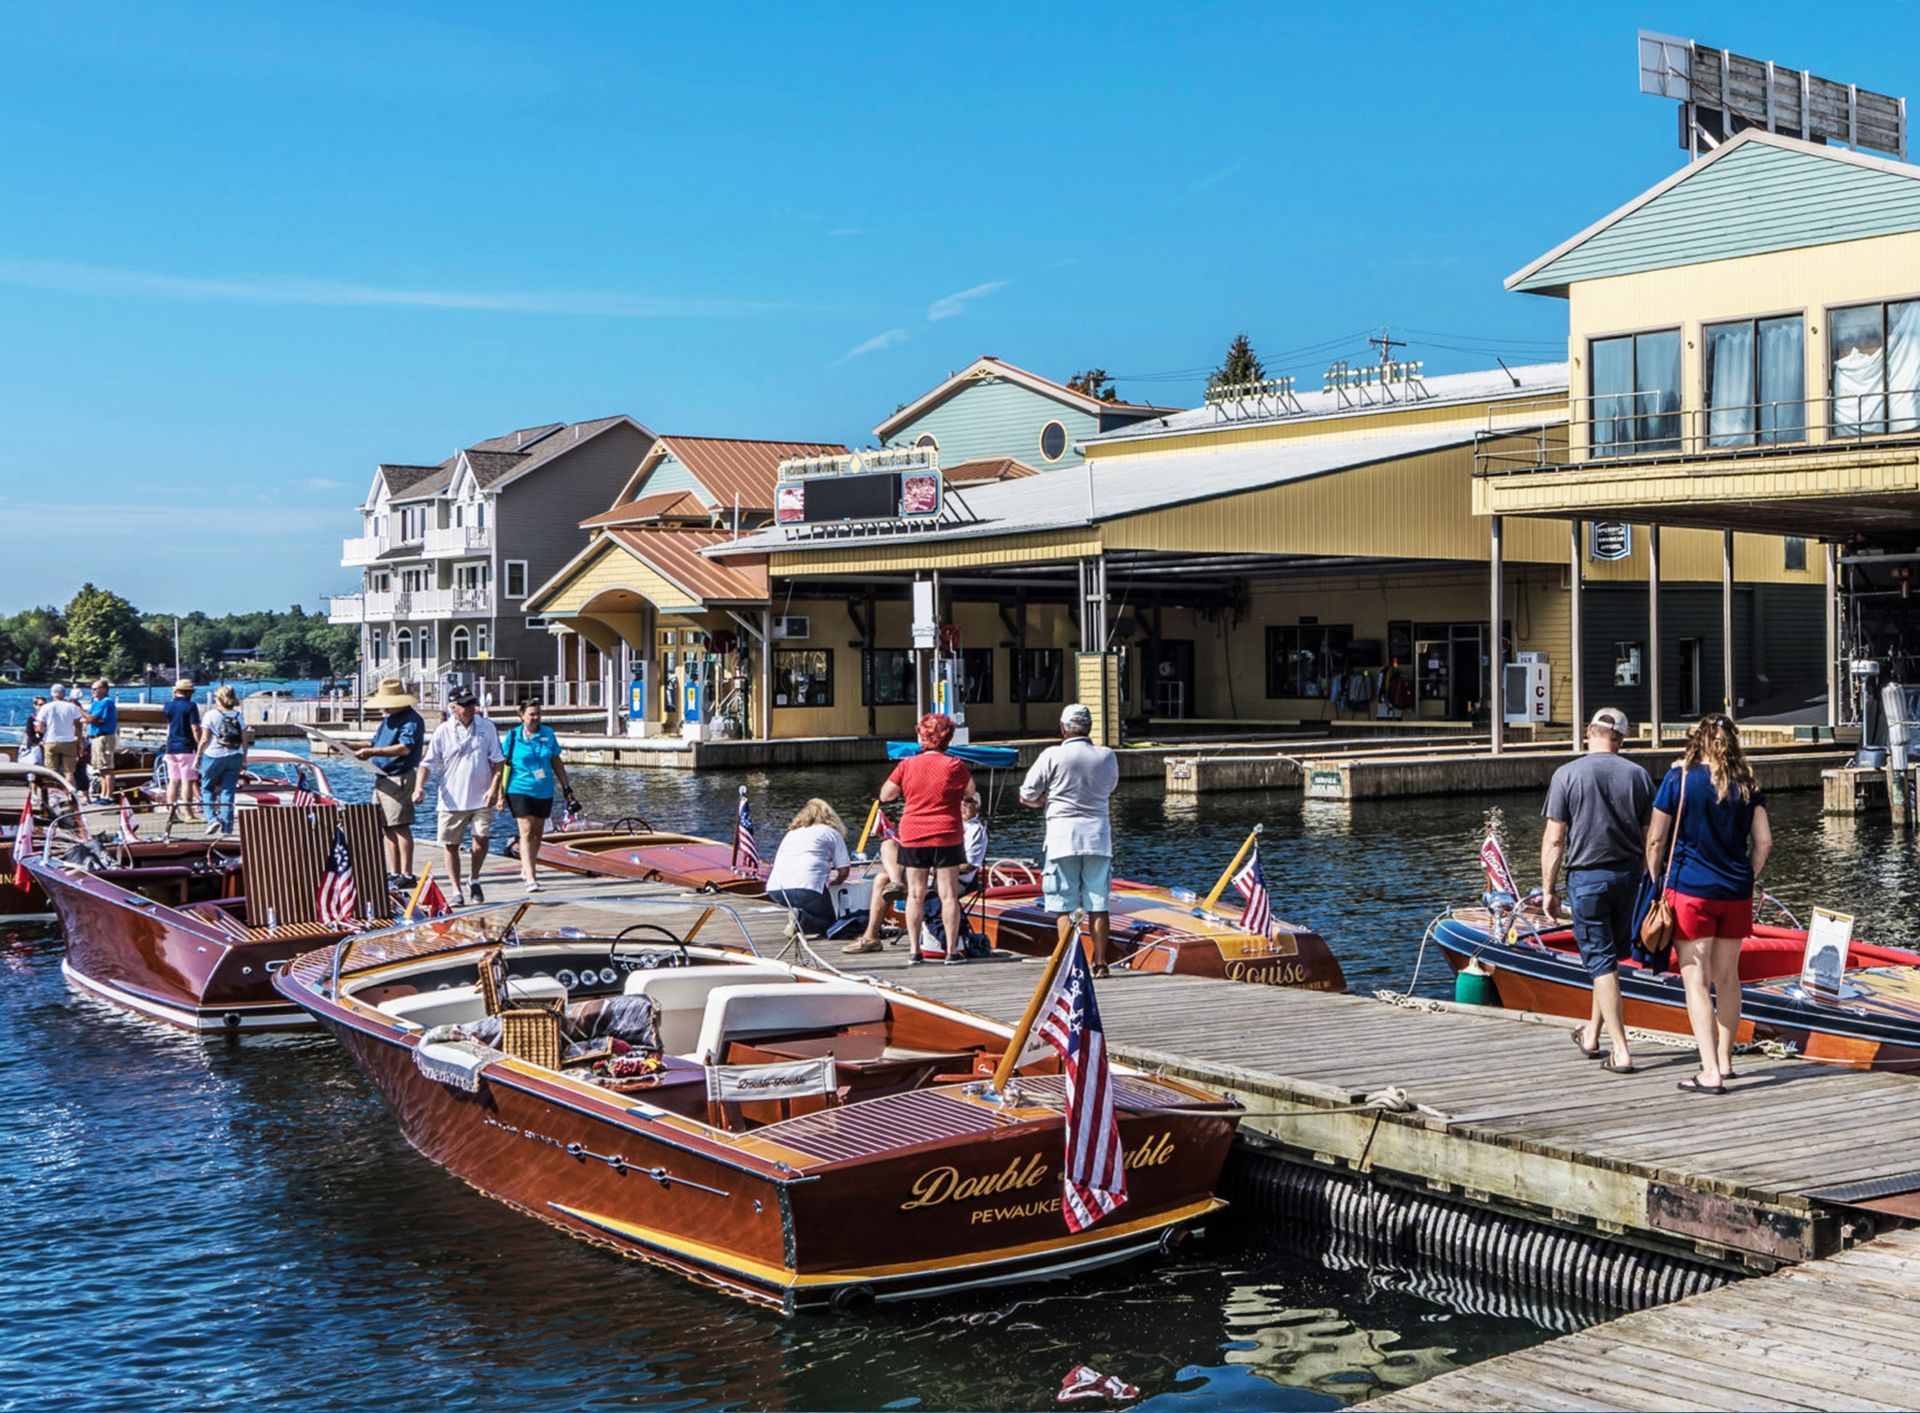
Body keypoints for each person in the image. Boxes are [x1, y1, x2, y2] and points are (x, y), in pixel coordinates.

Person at [1646, 714, 1772, 1095]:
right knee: (1728, 979)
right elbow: (1763, 842)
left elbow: (1656, 840)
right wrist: (1747, 876)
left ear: (1696, 741)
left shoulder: (1679, 778)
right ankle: (1727, 1060)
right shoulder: (1748, 784)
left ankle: (1709, 1071)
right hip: (1735, 893)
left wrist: (1655, 882)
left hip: (1690, 891)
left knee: (1696, 982)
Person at [1540, 706, 1653, 1074]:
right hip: (1629, 878)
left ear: (1589, 731)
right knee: (1608, 961)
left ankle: (1620, 1051)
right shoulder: (1638, 776)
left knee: (1601, 962)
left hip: (1587, 879)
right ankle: (1591, 1036)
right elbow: (1653, 836)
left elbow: (1555, 839)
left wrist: (1548, 889)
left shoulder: (1566, 774)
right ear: (1621, 738)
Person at [1019, 703, 1120, 971]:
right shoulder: (1107, 755)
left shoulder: (1051, 755)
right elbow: (1110, 788)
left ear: (1063, 728)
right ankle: (1100, 961)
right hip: (1098, 837)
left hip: (1062, 837)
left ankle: (1069, 962)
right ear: (1089, 728)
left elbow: (1026, 794)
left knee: (1063, 905)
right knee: (1098, 904)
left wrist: (1043, 801)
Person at [879, 713, 977, 964]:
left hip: (914, 834)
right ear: (948, 737)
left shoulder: (907, 765)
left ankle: (915, 950)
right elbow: (970, 791)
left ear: (922, 736)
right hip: (947, 834)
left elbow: (886, 795)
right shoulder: (954, 765)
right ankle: (951, 951)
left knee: (915, 894)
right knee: (948, 895)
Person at [848, 794, 987, 955]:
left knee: (882, 879)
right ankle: (896, 883)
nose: (962, 803)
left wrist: (934, 866)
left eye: (969, 801)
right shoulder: (946, 825)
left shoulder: (974, 830)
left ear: (977, 807)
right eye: (959, 799)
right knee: (889, 845)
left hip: (950, 880)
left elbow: (968, 865)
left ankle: (871, 936)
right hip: (928, 873)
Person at [413, 687, 504, 906]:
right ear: (453, 708)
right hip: (452, 796)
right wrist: (419, 787)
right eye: (465, 705)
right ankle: (456, 889)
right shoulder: (443, 731)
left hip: (481, 796)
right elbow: (428, 763)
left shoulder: (486, 726)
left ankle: (474, 878)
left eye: (472, 703)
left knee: (481, 839)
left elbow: (498, 761)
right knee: (451, 844)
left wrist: (495, 789)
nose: (470, 708)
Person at [497, 699, 578, 894]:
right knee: (526, 831)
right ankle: (531, 877)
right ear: (522, 715)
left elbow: (556, 761)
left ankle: (527, 865)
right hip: (519, 789)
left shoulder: (547, 734)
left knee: (537, 832)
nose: (535, 718)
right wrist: (499, 793)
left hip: (543, 790)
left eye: (538, 714)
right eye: (532, 714)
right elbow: (501, 765)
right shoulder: (514, 736)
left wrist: (566, 787)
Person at [355, 678, 426, 887]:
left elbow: (404, 748)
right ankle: (394, 871)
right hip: (382, 777)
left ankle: (407, 873)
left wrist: (370, 752)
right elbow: (373, 742)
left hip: (399, 777)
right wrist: (346, 745)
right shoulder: (388, 720)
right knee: (387, 826)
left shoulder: (412, 720)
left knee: (401, 825)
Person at [765, 799, 852, 938]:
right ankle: (801, 919)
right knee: (831, 922)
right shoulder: (831, 833)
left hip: (776, 889)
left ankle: (798, 918)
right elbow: (844, 870)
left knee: (810, 904)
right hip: (807, 888)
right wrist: (836, 882)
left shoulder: (791, 833)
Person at [196, 685, 250, 836]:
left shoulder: (211, 715)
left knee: (207, 788)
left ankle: (212, 819)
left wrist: (198, 756)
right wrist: (244, 758)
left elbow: (205, 739)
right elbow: (245, 739)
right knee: (228, 791)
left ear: (218, 699)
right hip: (235, 756)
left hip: (213, 756)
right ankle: (227, 828)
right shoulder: (238, 716)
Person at [35, 683, 88, 796]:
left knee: (51, 772)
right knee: (69, 772)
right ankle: (71, 796)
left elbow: (40, 727)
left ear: (52, 694)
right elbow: (78, 726)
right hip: (68, 741)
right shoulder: (71, 707)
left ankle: (53, 796)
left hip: (51, 741)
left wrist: (42, 736)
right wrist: (79, 742)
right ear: (64, 693)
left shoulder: (45, 707)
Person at [162, 678, 202, 822]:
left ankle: (172, 813)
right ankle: (188, 813)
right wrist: (200, 746)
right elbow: (195, 728)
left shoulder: (167, 706)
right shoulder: (191, 706)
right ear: (188, 692)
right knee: (188, 781)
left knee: (173, 781)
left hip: (171, 747)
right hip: (186, 746)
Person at [86, 679, 118, 803]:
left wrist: (79, 709)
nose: (93, 691)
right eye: (92, 689)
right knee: (100, 768)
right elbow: (88, 718)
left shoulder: (107, 702)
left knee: (107, 767)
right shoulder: (96, 702)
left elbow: (94, 718)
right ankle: (103, 794)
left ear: (104, 689)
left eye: (96, 688)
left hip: (104, 737)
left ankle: (109, 795)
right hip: (95, 737)